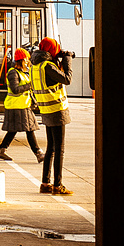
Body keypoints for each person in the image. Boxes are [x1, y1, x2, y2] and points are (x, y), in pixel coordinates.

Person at [32, 36, 73, 195]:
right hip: (57, 110)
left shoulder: (37, 65)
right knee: (59, 149)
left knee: (51, 148)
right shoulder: (48, 66)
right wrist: (67, 60)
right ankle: (58, 185)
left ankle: (45, 183)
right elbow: (67, 79)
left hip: (46, 110)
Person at [0, 48, 42, 162]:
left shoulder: (24, 72)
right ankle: (38, 153)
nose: (28, 61)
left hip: (23, 105)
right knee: (29, 129)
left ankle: (2, 150)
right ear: (22, 60)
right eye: (26, 59)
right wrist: (29, 85)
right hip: (16, 106)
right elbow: (15, 89)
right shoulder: (13, 73)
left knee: (13, 130)